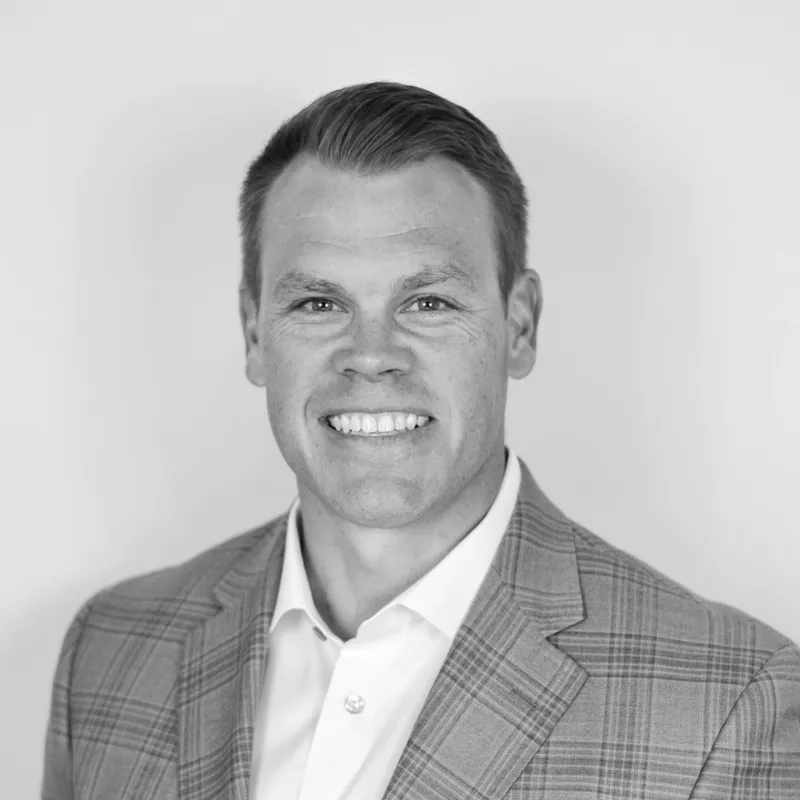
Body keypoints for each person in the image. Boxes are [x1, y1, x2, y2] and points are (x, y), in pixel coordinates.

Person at [42, 81, 800, 800]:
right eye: (318, 303)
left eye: (428, 301)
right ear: (253, 334)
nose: (371, 355)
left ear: (520, 326)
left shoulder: (729, 703)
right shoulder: (109, 651)